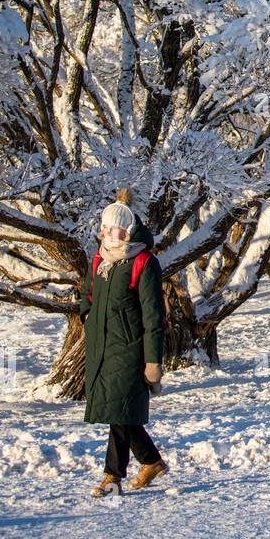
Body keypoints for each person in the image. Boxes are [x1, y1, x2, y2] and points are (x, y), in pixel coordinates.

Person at [82, 202, 169, 497]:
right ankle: (151, 461)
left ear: (128, 231)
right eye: (104, 227)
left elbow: (153, 317)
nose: (107, 233)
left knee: (119, 410)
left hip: (131, 349)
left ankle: (112, 476)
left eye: (113, 228)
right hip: (103, 348)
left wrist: (152, 361)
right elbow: (88, 296)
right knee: (118, 411)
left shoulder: (143, 262)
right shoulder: (101, 260)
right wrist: (88, 318)